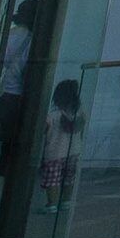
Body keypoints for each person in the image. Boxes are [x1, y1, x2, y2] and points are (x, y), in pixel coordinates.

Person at [0, 0, 40, 177]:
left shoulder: (10, 34)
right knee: (10, 147)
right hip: (16, 95)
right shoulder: (34, 40)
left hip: (1, 91)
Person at [39, 76, 85, 208]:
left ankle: (52, 204)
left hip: (54, 153)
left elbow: (43, 131)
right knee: (69, 178)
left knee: (53, 180)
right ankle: (66, 201)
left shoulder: (52, 116)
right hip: (74, 151)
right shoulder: (80, 115)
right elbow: (81, 133)